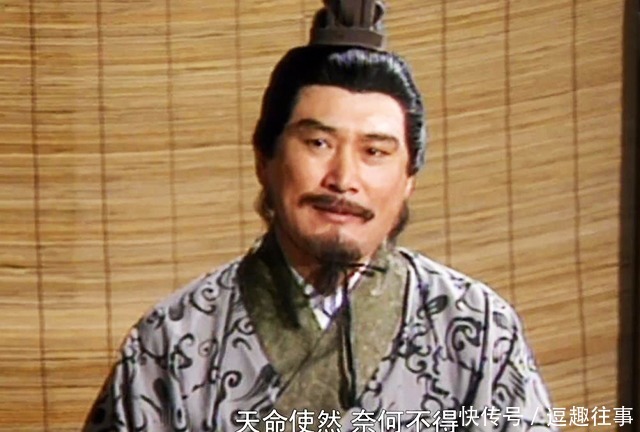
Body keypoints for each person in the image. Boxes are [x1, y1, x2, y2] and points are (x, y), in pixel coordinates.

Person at [83, 1, 555, 431]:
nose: (344, 178)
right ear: (264, 159)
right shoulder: (172, 339)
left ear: (409, 178)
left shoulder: (478, 329)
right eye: (318, 143)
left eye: (375, 151)